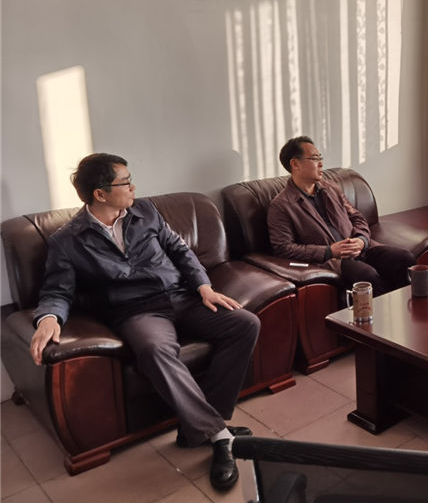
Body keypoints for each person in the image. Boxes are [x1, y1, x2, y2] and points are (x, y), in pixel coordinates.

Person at [29, 154, 259, 491]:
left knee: (245, 323)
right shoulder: (67, 241)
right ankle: (220, 437)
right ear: (100, 194)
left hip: (181, 296)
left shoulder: (146, 211)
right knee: (153, 349)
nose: (133, 187)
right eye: (125, 182)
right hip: (137, 311)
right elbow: (56, 289)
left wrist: (204, 287)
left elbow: (179, 250)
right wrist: (48, 318)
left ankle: (202, 426)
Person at [269, 136, 416, 295]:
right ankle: (381, 310)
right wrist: (329, 251)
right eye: (315, 158)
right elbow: (283, 248)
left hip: (360, 248)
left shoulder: (330, 188)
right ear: (295, 164)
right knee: (367, 276)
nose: (321, 163)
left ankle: (404, 306)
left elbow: (357, 217)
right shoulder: (281, 205)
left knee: (404, 258)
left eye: (320, 158)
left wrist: (362, 240)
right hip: (332, 261)